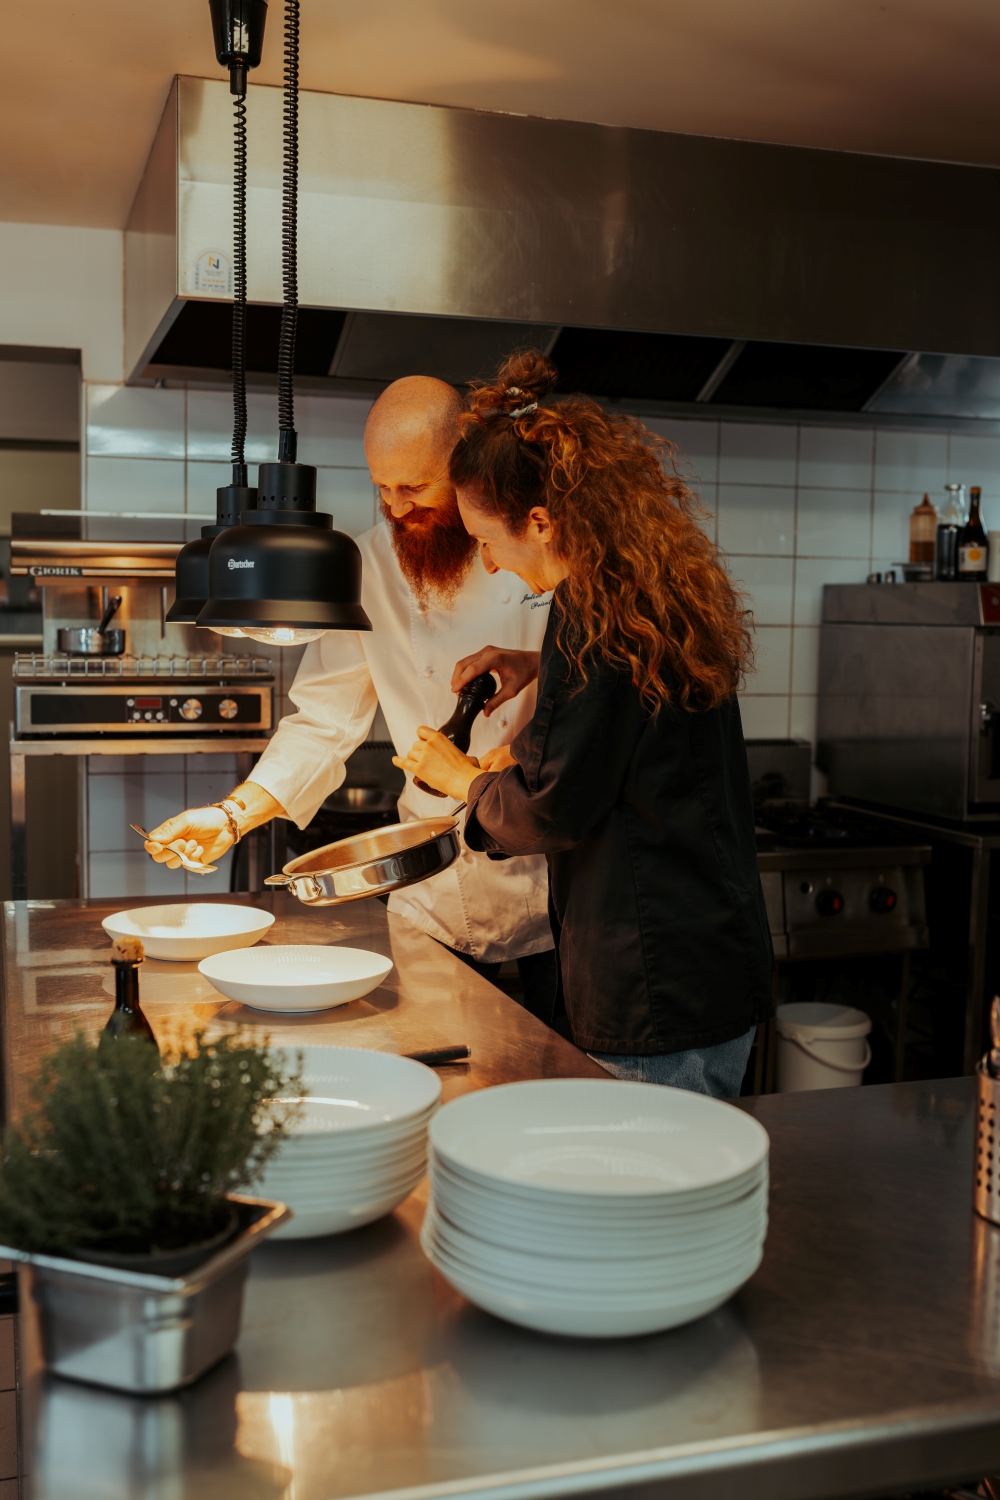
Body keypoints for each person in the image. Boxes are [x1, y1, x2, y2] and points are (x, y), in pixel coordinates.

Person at [395, 351, 774, 1097]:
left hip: (653, 986)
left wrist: (463, 781)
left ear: (540, 520)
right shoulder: (645, 587)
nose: (494, 566)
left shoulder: (591, 617)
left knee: (640, 1198)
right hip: (712, 965)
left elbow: (552, 813)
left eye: (489, 541)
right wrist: (538, 668)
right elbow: (627, 718)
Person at [144, 376, 557, 1019]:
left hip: (547, 876)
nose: (395, 509)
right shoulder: (363, 566)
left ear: (466, 462)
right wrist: (232, 816)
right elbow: (325, 718)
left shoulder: (533, 550)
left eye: (415, 488)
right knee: (434, 1061)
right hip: (431, 883)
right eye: (383, 488)